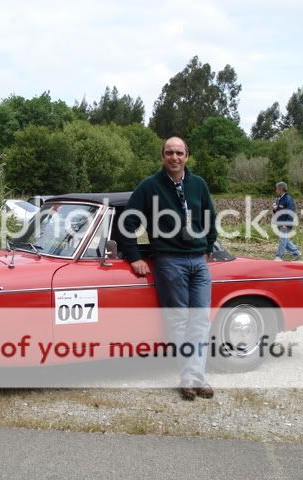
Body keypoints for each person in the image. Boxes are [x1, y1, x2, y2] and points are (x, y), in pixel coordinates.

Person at [121, 137, 217, 401]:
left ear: (187, 155)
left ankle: (193, 377)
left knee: (200, 320)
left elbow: (210, 216)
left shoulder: (198, 184)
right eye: (169, 153)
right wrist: (134, 257)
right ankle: (193, 378)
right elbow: (127, 223)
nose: (174, 157)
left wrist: (208, 245)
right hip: (169, 261)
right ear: (162, 156)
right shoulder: (150, 186)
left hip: (198, 261)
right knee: (179, 320)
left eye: (179, 153)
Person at [272, 181, 301, 261]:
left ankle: (279, 257)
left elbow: (291, 212)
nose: (276, 190)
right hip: (280, 223)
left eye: (277, 188)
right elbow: (278, 210)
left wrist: (286, 223)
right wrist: (275, 209)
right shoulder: (279, 199)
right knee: (285, 240)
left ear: (281, 189)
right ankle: (296, 252)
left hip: (285, 224)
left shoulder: (288, 199)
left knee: (283, 240)